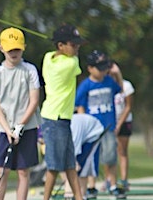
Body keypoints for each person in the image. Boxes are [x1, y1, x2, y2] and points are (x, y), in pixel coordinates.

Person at [0, 27, 41, 200]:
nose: (14, 52)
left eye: (17, 48)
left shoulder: (30, 70)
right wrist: (8, 129)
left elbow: (34, 100)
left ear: (23, 47)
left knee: (24, 171)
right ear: (2, 48)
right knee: (2, 170)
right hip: (6, 129)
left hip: (27, 126)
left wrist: (20, 125)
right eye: (10, 49)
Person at [40, 24, 85, 200]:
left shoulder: (47, 58)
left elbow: (54, 54)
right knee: (53, 166)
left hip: (60, 118)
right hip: (55, 118)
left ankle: (79, 198)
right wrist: (69, 52)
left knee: (69, 164)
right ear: (60, 45)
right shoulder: (69, 64)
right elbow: (75, 62)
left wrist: (62, 48)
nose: (77, 48)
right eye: (73, 45)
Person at [75, 50, 123, 199]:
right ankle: (91, 186)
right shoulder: (86, 85)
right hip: (92, 130)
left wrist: (117, 74)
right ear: (90, 68)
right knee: (91, 159)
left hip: (108, 126)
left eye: (104, 67)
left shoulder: (109, 81)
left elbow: (120, 89)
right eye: (99, 67)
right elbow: (80, 106)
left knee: (110, 157)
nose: (103, 70)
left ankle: (113, 184)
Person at [62, 113, 105, 199]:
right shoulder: (61, 130)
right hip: (83, 132)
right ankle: (70, 193)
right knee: (73, 165)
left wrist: (74, 162)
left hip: (93, 133)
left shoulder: (74, 129)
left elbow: (75, 148)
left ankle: (82, 194)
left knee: (84, 165)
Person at [114, 78, 134, 190]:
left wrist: (119, 124)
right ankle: (110, 180)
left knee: (122, 151)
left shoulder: (126, 85)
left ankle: (124, 180)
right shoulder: (106, 84)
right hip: (111, 121)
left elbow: (128, 106)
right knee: (109, 153)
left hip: (125, 121)